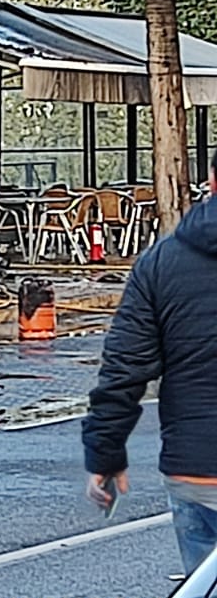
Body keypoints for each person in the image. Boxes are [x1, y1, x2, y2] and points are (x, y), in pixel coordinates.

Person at [83, 153, 217, 575]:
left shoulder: (161, 261)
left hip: (196, 471)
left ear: (211, 183)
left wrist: (104, 455)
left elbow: (123, 369)